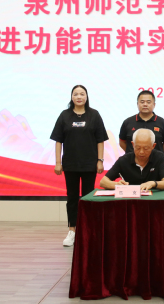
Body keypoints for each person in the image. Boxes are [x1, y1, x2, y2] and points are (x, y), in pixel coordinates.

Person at [50, 85, 108, 247]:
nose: (79, 97)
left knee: (88, 197)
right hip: (70, 164)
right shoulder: (65, 115)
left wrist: (100, 160)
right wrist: (58, 163)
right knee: (72, 198)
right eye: (76, 94)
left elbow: (100, 140)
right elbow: (58, 140)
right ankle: (72, 230)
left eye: (82, 94)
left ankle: (89, 229)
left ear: (86, 97)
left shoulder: (94, 115)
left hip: (89, 164)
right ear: (72, 97)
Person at [100, 128, 164, 191]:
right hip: (130, 198)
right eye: (138, 148)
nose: (141, 152)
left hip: (153, 198)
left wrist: (152, 183)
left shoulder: (159, 157)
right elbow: (103, 182)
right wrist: (117, 185)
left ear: (153, 146)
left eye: (146, 148)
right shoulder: (124, 160)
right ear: (133, 144)